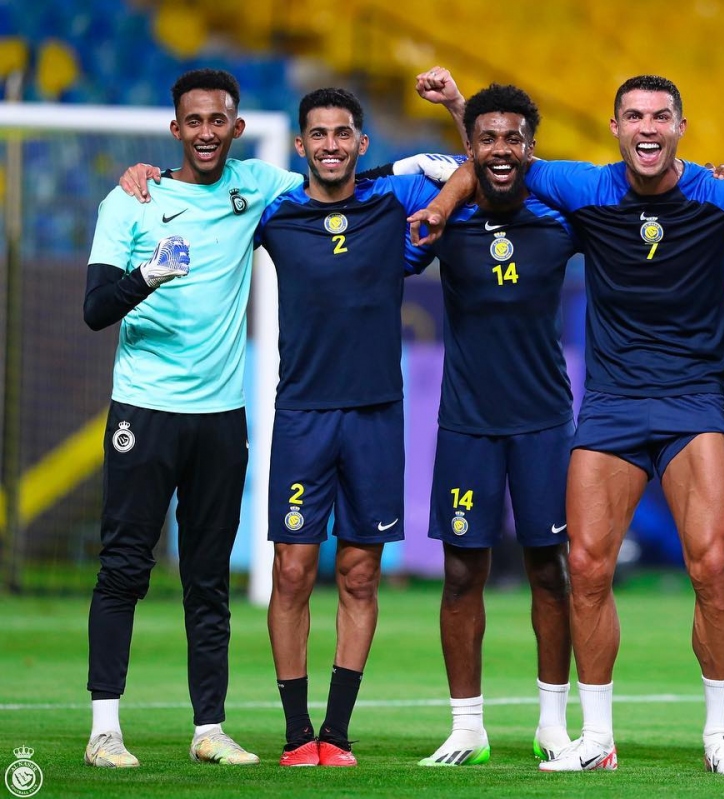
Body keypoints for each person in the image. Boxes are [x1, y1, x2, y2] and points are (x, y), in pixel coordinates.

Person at [410, 75, 724, 776]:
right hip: (610, 403)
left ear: (680, 126)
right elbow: (496, 162)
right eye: (635, 115)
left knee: (710, 568)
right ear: (614, 127)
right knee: (584, 567)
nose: (648, 127)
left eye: (661, 116)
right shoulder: (585, 187)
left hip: (694, 401)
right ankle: (597, 737)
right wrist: (442, 194)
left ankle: (720, 734)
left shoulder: (719, 191)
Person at [82, 68, 302, 768]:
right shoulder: (131, 200)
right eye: (194, 121)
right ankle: (104, 729)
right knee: (124, 568)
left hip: (219, 417)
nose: (207, 131)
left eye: (219, 120)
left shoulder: (258, 186)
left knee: (208, 577)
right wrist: (147, 275)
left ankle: (209, 727)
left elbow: (339, 191)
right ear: (176, 129)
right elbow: (93, 311)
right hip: (144, 409)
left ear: (236, 128)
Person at [256, 88, 441, 767]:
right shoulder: (277, 218)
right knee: (292, 570)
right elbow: (211, 195)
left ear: (362, 144)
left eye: (343, 133)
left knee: (361, 574)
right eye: (319, 134)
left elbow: (479, 161)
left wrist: (427, 151)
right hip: (303, 415)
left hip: (375, 417)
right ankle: (295, 731)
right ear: (300, 145)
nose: (331, 143)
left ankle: (336, 732)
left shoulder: (390, 209)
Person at [406, 70, 575, 768]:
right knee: (460, 575)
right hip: (468, 423)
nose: (501, 149)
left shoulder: (561, 218)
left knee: (549, 571)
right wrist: (454, 123)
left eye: (514, 138)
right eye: (487, 138)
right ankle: (466, 725)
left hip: (542, 420)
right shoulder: (448, 220)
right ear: (468, 148)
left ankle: (553, 724)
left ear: (532, 148)